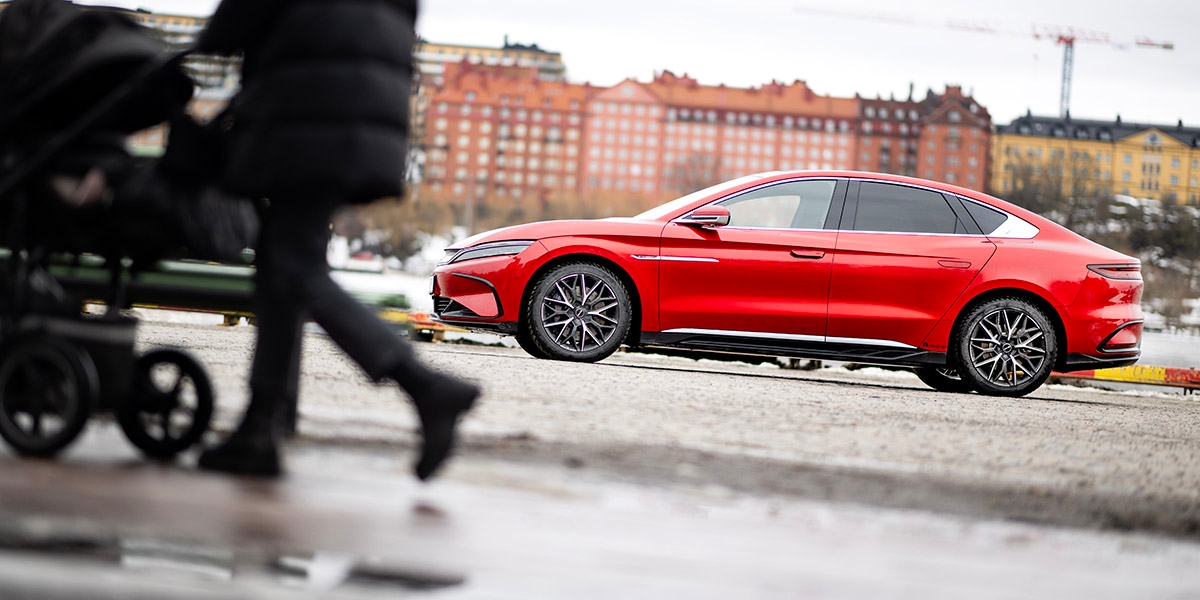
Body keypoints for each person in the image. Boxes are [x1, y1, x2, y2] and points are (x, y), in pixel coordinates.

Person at [193, 0, 478, 480]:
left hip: (304, 113)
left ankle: (425, 385)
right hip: (358, 116)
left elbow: (231, 26)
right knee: (280, 267)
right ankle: (262, 425)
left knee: (293, 266)